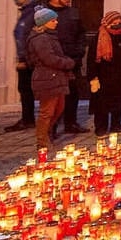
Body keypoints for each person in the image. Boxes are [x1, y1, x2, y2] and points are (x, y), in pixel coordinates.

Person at [26, 8, 74, 155]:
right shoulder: (40, 38)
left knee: (58, 108)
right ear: (44, 22)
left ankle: (46, 134)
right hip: (46, 78)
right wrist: (67, 63)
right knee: (47, 111)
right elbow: (48, 58)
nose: (56, 22)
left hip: (55, 77)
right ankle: (42, 140)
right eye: (53, 20)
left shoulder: (49, 36)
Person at [89, 11, 121, 136]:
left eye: (119, 22)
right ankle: (101, 127)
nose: (117, 25)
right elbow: (92, 59)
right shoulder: (99, 38)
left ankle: (116, 124)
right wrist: (93, 77)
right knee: (102, 104)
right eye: (114, 23)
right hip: (105, 76)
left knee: (119, 101)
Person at [46, 0, 87, 134]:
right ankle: (52, 127)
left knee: (73, 92)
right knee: (56, 95)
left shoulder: (73, 12)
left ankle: (71, 122)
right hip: (55, 60)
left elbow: (81, 32)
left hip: (73, 58)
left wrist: (80, 51)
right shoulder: (46, 14)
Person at [4, 0, 41, 132]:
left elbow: (25, 36)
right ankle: (28, 118)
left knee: (27, 89)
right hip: (27, 57)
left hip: (30, 59)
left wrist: (23, 59)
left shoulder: (33, 12)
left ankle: (29, 119)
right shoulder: (26, 12)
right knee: (25, 89)